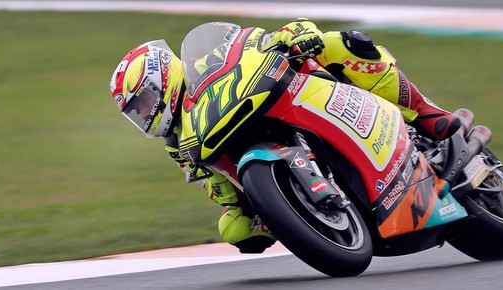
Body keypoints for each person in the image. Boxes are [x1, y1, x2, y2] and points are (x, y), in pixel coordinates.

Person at [108, 19, 461, 254]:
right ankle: (312, 206)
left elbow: (254, 39)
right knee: (234, 230)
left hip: (291, 90)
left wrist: (294, 35)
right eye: (137, 114)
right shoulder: (180, 144)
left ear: (163, 77)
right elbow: (219, 188)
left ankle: (428, 115)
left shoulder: (206, 61)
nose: (146, 114)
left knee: (340, 43)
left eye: (145, 102)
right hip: (253, 143)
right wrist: (251, 212)